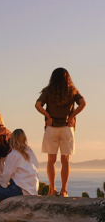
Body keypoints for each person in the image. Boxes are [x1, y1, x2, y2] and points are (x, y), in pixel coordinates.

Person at [34, 68, 86, 197]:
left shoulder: (48, 91)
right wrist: (72, 116)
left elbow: (37, 105)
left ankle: (52, 190)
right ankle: (64, 190)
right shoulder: (72, 90)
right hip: (67, 128)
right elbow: (83, 103)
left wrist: (48, 117)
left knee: (51, 160)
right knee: (65, 160)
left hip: (51, 128)